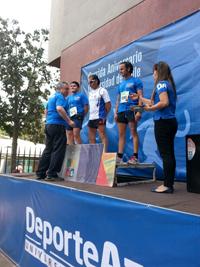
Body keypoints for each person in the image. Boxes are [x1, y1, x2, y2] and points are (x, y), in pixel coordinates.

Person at [141, 61, 178, 193]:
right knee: (169, 154)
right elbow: (155, 102)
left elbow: (163, 102)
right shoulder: (167, 84)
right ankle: (169, 183)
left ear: (158, 71)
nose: (153, 75)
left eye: (154, 71)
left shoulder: (161, 84)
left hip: (163, 122)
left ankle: (167, 185)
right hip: (170, 122)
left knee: (166, 154)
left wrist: (150, 109)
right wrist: (140, 98)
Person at [36, 82, 74, 181]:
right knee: (58, 149)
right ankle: (52, 174)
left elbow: (46, 111)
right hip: (58, 125)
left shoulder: (51, 97)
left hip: (49, 125)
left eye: (67, 89)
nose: (67, 91)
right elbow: (59, 108)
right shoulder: (60, 96)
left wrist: (48, 121)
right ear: (60, 89)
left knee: (48, 149)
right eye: (65, 89)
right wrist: (69, 121)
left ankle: (40, 173)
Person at [115, 61, 143, 164]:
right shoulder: (121, 84)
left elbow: (141, 97)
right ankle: (119, 157)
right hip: (122, 111)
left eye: (122, 69)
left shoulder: (136, 81)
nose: (120, 71)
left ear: (128, 69)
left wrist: (139, 111)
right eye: (119, 69)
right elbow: (118, 99)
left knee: (133, 132)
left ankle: (135, 157)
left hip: (132, 109)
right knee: (121, 134)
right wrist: (116, 112)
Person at [88, 74, 111, 152]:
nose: (90, 84)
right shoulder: (90, 93)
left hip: (100, 116)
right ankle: (94, 154)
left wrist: (104, 115)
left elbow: (108, 104)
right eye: (89, 82)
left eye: (91, 82)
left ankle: (104, 153)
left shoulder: (102, 90)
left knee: (102, 135)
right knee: (91, 137)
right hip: (91, 117)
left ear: (96, 81)